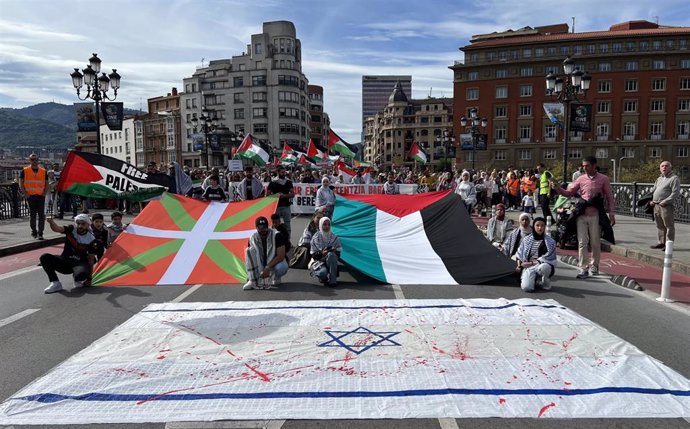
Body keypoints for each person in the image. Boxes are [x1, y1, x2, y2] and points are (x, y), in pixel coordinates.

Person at [551, 156, 615, 278]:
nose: (584, 168)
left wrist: (612, 213)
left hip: (596, 215)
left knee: (595, 242)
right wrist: (558, 188)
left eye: (587, 166)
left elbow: (610, 197)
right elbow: (569, 193)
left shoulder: (603, 179)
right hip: (581, 214)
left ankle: (594, 265)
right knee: (582, 242)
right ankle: (583, 268)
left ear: (594, 165)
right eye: (583, 166)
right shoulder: (581, 179)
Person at [40, 214, 99, 293]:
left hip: (80, 263)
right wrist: (51, 222)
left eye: (83, 224)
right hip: (66, 261)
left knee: (81, 275)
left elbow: (91, 260)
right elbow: (57, 229)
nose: (80, 226)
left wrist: (89, 279)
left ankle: (77, 278)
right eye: (78, 223)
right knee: (45, 257)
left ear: (88, 224)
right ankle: (55, 283)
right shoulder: (71, 229)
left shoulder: (91, 239)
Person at [243, 216, 289, 290]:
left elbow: (281, 256)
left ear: (268, 226)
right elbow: (250, 257)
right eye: (260, 228)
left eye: (264, 228)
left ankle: (276, 277)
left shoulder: (277, 235)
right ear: (256, 228)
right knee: (248, 251)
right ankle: (252, 280)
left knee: (282, 267)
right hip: (260, 263)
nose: (263, 230)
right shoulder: (252, 238)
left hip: (274, 263)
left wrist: (267, 268)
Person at [515, 217, 557, 292]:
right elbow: (519, 254)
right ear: (534, 226)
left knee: (544, 267)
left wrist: (532, 263)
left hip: (540, 265)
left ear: (545, 227)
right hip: (528, 266)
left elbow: (550, 257)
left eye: (542, 226)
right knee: (527, 288)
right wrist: (519, 265)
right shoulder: (527, 239)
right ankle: (533, 280)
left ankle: (545, 282)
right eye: (537, 225)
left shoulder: (550, 242)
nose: (540, 228)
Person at [648, 160, 681, 250]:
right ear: (660, 168)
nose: (664, 168)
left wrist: (666, 201)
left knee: (669, 226)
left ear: (670, 167)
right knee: (659, 225)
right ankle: (661, 242)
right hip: (656, 205)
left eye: (666, 166)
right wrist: (651, 201)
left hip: (666, 206)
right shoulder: (659, 178)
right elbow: (653, 191)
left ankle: (669, 245)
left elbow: (675, 193)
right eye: (662, 166)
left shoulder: (674, 178)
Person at [19, 153, 48, 240]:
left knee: (41, 215)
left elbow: (46, 184)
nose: (34, 161)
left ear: (38, 160)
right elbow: (21, 184)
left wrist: (44, 193)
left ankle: (40, 233)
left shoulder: (43, 171)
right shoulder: (24, 170)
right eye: (32, 159)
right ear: (30, 160)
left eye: (35, 159)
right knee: (32, 215)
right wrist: (26, 194)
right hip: (30, 196)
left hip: (40, 196)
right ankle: (34, 231)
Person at [309, 217, 342, 287]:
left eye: (328, 224)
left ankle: (333, 280)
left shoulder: (335, 237)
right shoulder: (315, 237)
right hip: (319, 260)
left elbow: (338, 254)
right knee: (322, 273)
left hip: (330, 260)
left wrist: (334, 251)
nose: (327, 226)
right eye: (324, 224)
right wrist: (321, 254)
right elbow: (313, 255)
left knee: (331, 255)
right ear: (320, 225)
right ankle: (323, 276)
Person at [267, 166, 295, 237]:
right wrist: (276, 196)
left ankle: (288, 241)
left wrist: (284, 196)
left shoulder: (288, 182)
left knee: (287, 225)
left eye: (284, 172)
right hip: (276, 207)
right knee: (275, 225)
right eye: (282, 172)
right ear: (277, 172)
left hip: (286, 206)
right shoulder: (272, 182)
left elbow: (292, 194)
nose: (284, 174)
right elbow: (267, 195)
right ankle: (274, 240)